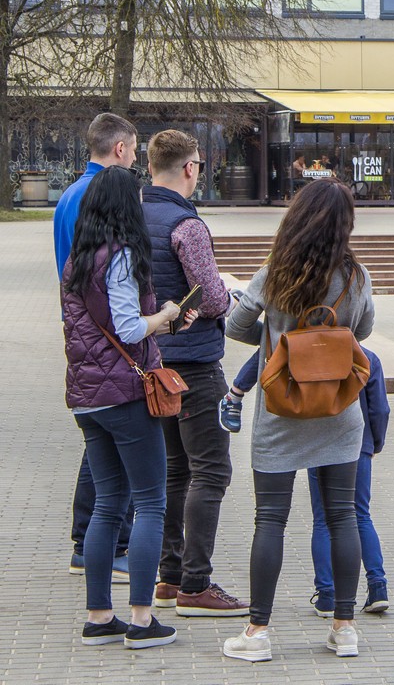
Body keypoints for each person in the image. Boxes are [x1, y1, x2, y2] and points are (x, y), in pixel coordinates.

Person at [222, 179, 374, 662]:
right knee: (342, 515)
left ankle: (257, 633)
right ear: (345, 225)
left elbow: (235, 326)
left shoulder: (273, 274)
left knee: (270, 519)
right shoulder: (356, 277)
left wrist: (281, 341)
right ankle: (344, 628)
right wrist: (322, 341)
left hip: (281, 410)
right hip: (338, 409)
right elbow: (363, 330)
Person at [62, 165, 196, 649]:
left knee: (107, 504)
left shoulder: (77, 261)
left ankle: (100, 617)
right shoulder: (119, 256)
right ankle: (142, 620)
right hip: (124, 396)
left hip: (88, 398)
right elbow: (128, 328)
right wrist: (165, 314)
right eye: (137, 199)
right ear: (124, 205)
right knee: (151, 502)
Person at [141, 130, 249, 619]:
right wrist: (226, 297)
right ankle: (196, 584)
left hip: (152, 361)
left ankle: (169, 576)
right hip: (195, 365)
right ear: (190, 168)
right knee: (211, 470)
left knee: (174, 469)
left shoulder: (132, 216)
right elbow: (211, 297)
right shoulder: (187, 225)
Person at [53, 112, 138, 582]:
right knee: (110, 446)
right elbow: (107, 280)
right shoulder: (100, 196)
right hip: (107, 337)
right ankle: (98, 542)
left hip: (85, 334)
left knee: (100, 443)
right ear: (120, 149)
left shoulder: (70, 194)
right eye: (135, 150)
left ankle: (89, 542)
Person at [309, 345, 390, 617]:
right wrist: (375, 442)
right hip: (359, 445)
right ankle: (377, 586)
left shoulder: (309, 353)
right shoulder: (368, 357)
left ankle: (327, 594)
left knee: (323, 519)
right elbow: (380, 409)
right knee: (360, 515)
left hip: (318, 445)